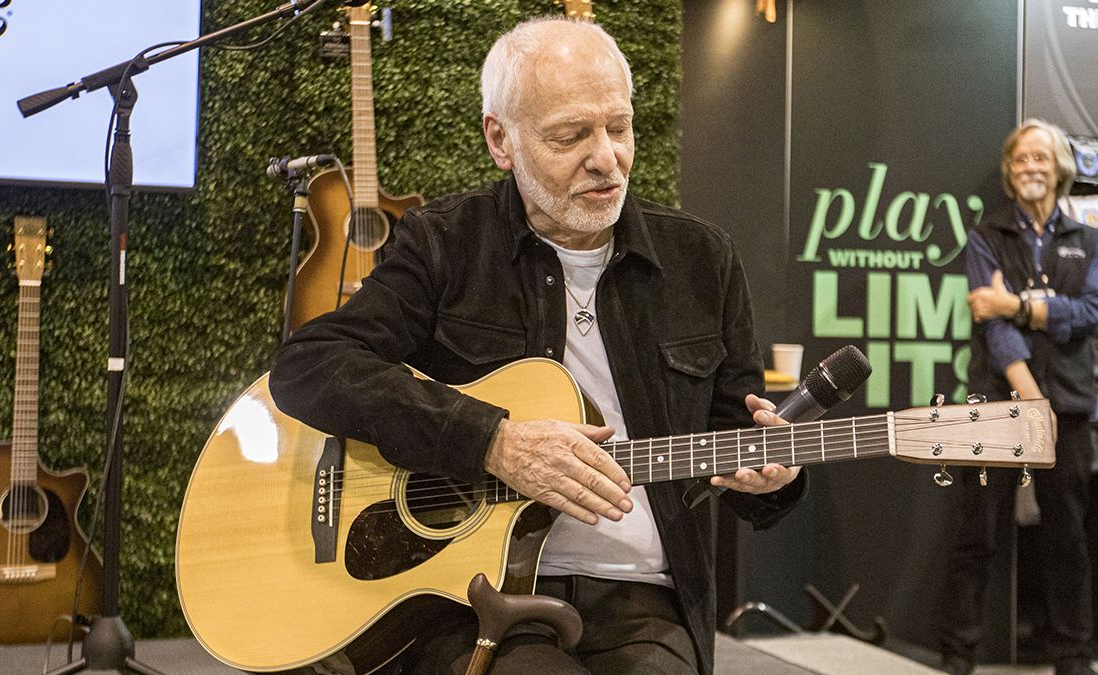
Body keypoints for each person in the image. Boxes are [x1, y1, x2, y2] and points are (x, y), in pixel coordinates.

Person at [268, 17, 806, 675]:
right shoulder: (445, 243)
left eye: (619, 126)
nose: (606, 156)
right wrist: (492, 440)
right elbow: (310, 365)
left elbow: (737, 451)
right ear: (501, 139)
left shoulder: (702, 258)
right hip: (468, 591)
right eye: (570, 136)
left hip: (645, 600)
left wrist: (775, 474)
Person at [939, 119, 1098, 675]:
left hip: (1071, 409)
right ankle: (959, 655)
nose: (1030, 167)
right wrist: (1031, 399)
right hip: (998, 405)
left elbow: (1090, 314)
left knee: (1069, 540)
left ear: (1059, 169)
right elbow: (995, 332)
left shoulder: (1091, 242)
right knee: (978, 535)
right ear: (1010, 175)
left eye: (1040, 158)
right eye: (1020, 160)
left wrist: (1015, 304)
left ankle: (1073, 657)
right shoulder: (986, 237)